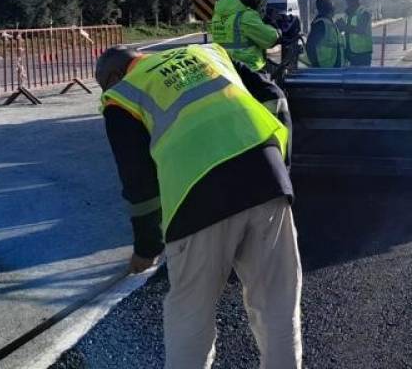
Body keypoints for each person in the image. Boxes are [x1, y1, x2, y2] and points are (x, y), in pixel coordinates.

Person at [96, 43, 301, 369]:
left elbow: (140, 185)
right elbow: (273, 95)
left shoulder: (123, 96)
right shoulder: (209, 54)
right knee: (277, 305)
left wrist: (146, 248)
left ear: (115, 75)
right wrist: (279, 161)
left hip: (197, 199)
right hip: (267, 181)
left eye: (104, 84)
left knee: (190, 317)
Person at [209, 0, 280, 73]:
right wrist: (274, 27)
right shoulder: (246, 16)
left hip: (225, 69)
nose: (258, 0)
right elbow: (270, 39)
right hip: (249, 70)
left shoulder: (217, 16)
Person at [335, 0, 373, 67]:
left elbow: (361, 30)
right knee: (351, 78)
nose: (349, 2)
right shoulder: (347, 14)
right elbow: (346, 30)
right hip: (349, 53)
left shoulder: (364, 12)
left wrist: (344, 27)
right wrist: (339, 26)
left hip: (362, 54)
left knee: (361, 77)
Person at [305, 0, 343, 68]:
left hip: (332, 68)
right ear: (329, 8)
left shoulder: (329, 23)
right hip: (324, 68)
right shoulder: (321, 24)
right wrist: (316, 66)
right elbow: (310, 46)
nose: (334, 8)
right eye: (333, 5)